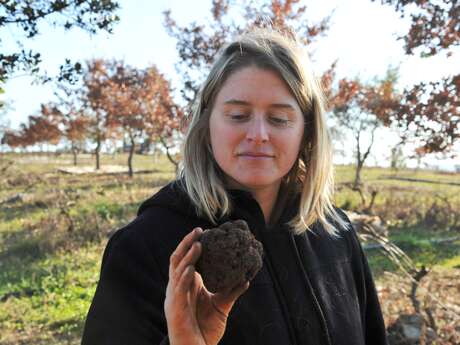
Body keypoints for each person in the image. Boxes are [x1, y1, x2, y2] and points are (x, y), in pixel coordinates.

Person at [81, 28, 388, 345]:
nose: (258, 134)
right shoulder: (143, 246)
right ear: (206, 123)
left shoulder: (336, 233)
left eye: (279, 118)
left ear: (307, 132)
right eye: (238, 115)